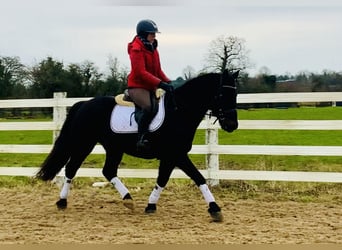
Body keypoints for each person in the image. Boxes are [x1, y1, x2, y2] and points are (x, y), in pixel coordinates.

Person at [127, 19, 174, 151]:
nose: (154, 36)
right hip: (137, 86)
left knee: (162, 106)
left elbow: (158, 70)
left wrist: (168, 82)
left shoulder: (153, 48)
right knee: (149, 107)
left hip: (150, 86)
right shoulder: (136, 49)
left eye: (154, 34)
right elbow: (140, 72)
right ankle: (141, 138)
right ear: (143, 34)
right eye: (152, 34)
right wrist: (160, 84)